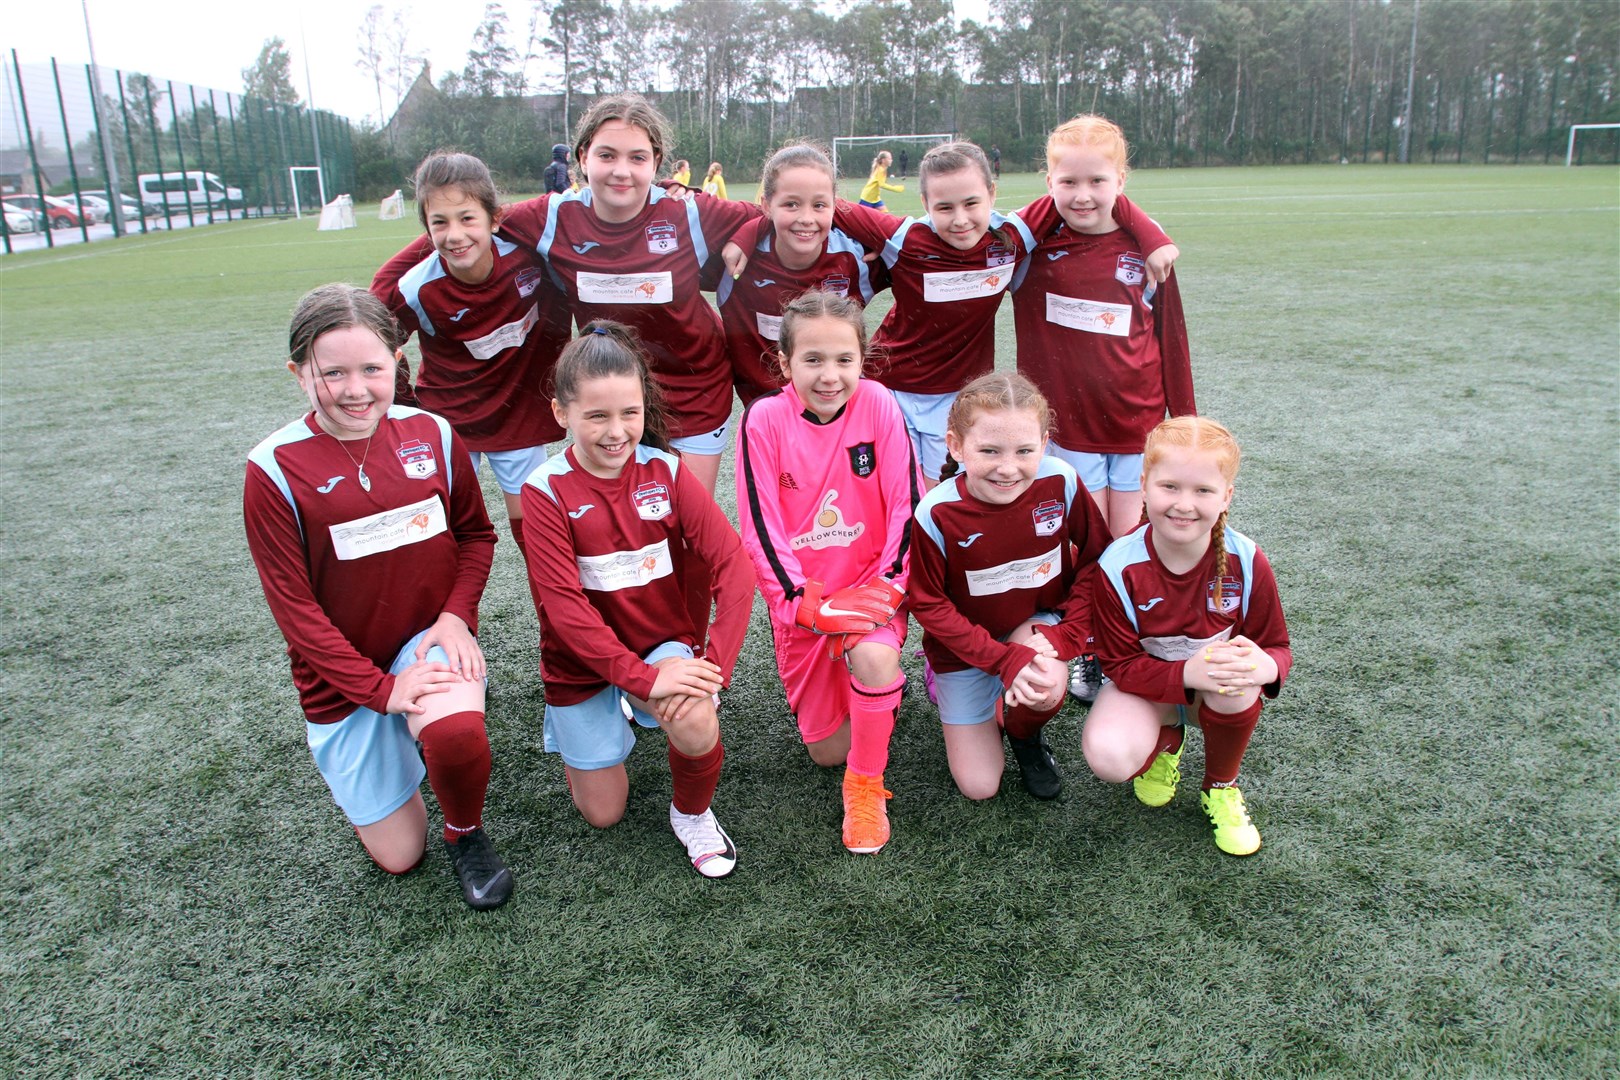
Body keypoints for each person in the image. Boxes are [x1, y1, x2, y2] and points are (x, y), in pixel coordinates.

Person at [244, 284, 512, 910]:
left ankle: (465, 830)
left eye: (371, 368)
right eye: (332, 372)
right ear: (298, 373)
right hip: (342, 674)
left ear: (397, 359)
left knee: (456, 738)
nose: (356, 388)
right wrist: (380, 692)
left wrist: (455, 617)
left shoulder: (434, 435)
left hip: (427, 642)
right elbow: (297, 613)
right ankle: (404, 743)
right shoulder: (274, 468)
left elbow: (476, 535)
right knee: (399, 857)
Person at [521, 321, 755, 878]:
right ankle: (599, 714)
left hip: (659, 647)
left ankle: (692, 814)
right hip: (581, 663)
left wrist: (710, 667)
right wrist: (646, 682)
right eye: (596, 416)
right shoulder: (544, 491)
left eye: (629, 412)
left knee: (696, 715)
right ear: (562, 415)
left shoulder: (667, 471)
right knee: (604, 814)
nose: (616, 430)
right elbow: (566, 612)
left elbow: (735, 567)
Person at [496, 93, 763, 496]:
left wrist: (743, 235)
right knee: (624, 521)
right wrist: (383, 292)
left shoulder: (686, 211)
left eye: (637, 158)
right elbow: (471, 220)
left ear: (656, 163)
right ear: (583, 158)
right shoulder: (554, 216)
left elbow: (778, 211)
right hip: (609, 394)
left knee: (684, 520)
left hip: (694, 390)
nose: (622, 171)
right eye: (607, 156)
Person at [1010, 114, 1192, 703]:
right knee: (1080, 549)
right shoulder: (1033, 247)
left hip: (1138, 425)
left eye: (1098, 181)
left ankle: (1122, 646)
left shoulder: (1146, 251)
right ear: (1048, 182)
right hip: (1069, 432)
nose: (1082, 196)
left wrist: (1183, 420)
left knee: (1127, 540)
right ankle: (1085, 648)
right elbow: (995, 237)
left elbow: (1171, 335)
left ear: (1122, 180)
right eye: (1067, 183)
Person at [735, 290, 917, 855]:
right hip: (807, 607)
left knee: (875, 657)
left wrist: (888, 588)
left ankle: (864, 785)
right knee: (825, 750)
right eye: (813, 360)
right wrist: (802, 605)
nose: (830, 375)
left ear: (862, 360)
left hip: (869, 591)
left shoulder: (881, 404)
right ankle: (873, 701)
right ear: (785, 364)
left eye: (844, 359)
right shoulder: (764, 421)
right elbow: (759, 528)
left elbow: (906, 507)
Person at [1082, 417, 1291, 856]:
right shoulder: (1117, 566)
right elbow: (1118, 665)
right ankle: (1166, 741)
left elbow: (1276, 647)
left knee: (1240, 680)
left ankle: (1221, 785)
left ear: (1226, 496)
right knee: (1109, 755)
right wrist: (1189, 672)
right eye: (1170, 486)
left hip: (1213, 691)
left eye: (1203, 491)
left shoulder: (1247, 560)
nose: (1184, 504)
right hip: (1149, 689)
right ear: (1143, 485)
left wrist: (1264, 666)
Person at [371, 151, 573, 600]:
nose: (455, 234)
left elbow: (578, 219)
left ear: (495, 218)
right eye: (439, 223)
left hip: (517, 417)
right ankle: (437, 635)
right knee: (436, 533)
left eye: (467, 217)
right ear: (425, 229)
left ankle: (559, 630)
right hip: (449, 422)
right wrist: (403, 406)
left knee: (536, 534)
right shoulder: (414, 285)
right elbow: (374, 332)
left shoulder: (532, 258)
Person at [909, 373, 1112, 800]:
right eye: (989, 451)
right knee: (979, 786)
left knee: (1042, 685)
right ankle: (956, 682)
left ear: (1044, 442)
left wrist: (1065, 634)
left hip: (1033, 625)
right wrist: (1001, 660)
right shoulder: (936, 512)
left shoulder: (1061, 482)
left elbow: (1099, 560)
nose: (1008, 467)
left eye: (1024, 450)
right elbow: (929, 604)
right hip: (965, 646)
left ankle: (1025, 737)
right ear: (955, 445)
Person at [715, 142, 887, 406]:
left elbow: (921, 255)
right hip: (766, 413)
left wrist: (882, 239)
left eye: (819, 205)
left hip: (837, 408)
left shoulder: (856, 257)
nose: (806, 218)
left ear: (834, 206)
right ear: (766, 205)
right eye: (791, 204)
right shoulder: (734, 258)